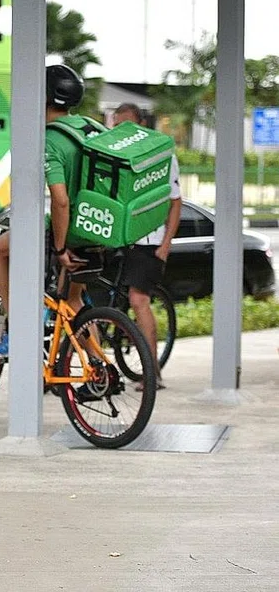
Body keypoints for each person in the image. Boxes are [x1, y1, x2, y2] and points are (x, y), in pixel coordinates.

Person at [0, 64, 89, 358]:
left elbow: (60, 200)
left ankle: (17, 329)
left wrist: (59, 247)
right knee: (73, 303)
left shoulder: (49, 140)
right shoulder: (87, 127)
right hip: (98, 227)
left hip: (71, 230)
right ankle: (98, 370)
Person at [111, 102, 181, 390]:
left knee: (139, 300)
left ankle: (152, 373)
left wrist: (166, 244)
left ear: (141, 124)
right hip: (121, 240)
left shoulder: (161, 156)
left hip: (149, 242)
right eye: (118, 125)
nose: (123, 131)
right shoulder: (114, 155)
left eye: (128, 124)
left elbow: (175, 202)